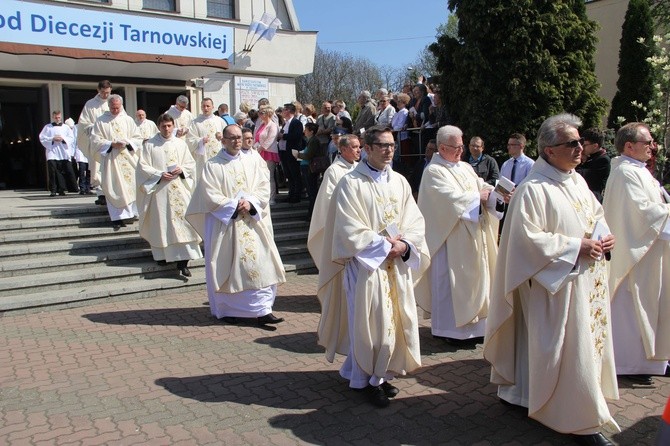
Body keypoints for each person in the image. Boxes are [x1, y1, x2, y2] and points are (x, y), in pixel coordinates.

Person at [484, 113, 618, 446]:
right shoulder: (533, 189)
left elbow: (595, 216)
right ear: (548, 149)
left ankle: (524, 396)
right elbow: (526, 241)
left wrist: (605, 237)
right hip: (553, 286)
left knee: (572, 348)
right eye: (571, 143)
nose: (579, 148)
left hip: (583, 281)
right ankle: (578, 421)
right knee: (565, 351)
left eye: (579, 142)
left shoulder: (576, 180)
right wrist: (577, 246)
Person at [317, 125, 430, 408]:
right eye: (382, 145)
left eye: (391, 145)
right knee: (371, 324)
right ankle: (366, 379)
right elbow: (348, 228)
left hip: (395, 266)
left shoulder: (400, 182)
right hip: (367, 268)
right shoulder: (350, 183)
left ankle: (382, 374)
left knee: (395, 321)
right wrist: (383, 247)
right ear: (367, 149)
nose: (389, 150)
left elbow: (414, 221)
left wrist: (405, 246)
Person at [186, 124, 286, 326]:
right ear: (222, 141)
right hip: (227, 226)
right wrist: (233, 205)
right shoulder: (213, 165)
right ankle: (230, 310)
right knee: (229, 266)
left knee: (261, 264)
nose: (237, 141)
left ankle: (263, 309)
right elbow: (209, 194)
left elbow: (263, 186)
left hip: (252, 223)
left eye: (239, 137)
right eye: (231, 138)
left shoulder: (253, 162)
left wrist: (251, 203)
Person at [416, 126, 500, 346]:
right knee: (451, 283)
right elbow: (447, 199)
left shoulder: (463, 167)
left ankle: (478, 327)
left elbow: (479, 186)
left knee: (477, 280)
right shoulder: (434, 171)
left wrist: (494, 193)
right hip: (450, 239)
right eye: (457, 147)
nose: (462, 151)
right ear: (443, 147)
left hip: (474, 235)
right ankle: (449, 330)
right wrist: (477, 196)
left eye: (462, 146)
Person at [603, 122, 670, 386]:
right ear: (629, 146)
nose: (652, 147)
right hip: (635, 254)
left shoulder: (638, 171)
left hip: (650, 250)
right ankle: (628, 363)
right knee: (633, 307)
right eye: (648, 142)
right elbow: (641, 213)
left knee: (652, 303)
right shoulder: (624, 173)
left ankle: (653, 360)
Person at [136, 113, 203, 277]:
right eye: (163, 126)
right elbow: (142, 167)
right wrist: (159, 175)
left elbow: (190, 164)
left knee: (185, 225)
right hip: (160, 192)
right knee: (162, 225)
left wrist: (182, 170)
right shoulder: (150, 145)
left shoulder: (181, 144)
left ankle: (183, 263)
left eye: (169, 126)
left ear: (173, 126)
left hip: (179, 189)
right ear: (158, 127)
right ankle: (163, 257)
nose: (166, 129)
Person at [307, 134, 361, 268]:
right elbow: (328, 199)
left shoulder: (360, 168)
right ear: (343, 149)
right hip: (343, 225)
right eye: (354, 147)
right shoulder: (333, 171)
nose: (359, 150)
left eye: (359, 146)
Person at [90, 95, 143, 229]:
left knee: (131, 185)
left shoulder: (128, 120)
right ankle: (118, 217)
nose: (115, 110)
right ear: (108, 106)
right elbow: (95, 141)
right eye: (112, 108)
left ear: (121, 106)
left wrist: (128, 142)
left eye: (117, 108)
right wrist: (111, 144)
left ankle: (130, 214)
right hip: (111, 160)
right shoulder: (101, 121)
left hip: (128, 158)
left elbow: (137, 138)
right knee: (114, 187)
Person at [77, 79, 112, 205]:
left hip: (111, 142)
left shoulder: (114, 102)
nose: (105, 95)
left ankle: (112, 195)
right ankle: (101, 194)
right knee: (98, 168)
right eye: (103, 92)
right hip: (97, 142)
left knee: (112, 169)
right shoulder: (90, 104)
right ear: (98, 90)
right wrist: (94, 127)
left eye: (107, 92)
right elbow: (83, 123)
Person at [39, 110, 77, 196]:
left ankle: (61, 189)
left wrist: (63, 139)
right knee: (52, 171)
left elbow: (71, 138)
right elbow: (42, 138)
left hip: (63, 152)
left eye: (59, 117)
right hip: (52, 152)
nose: (57, 119)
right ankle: (53, 189)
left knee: (61, 171)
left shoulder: (66, 127)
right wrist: (52, 139)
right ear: (53, 117)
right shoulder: (47, 127)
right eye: (55, 117)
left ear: (61, 117)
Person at [186, 98, 224, 181]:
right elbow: (189, 140)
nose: (206, 108)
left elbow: (228, 136)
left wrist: (222, 136)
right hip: (203, 158)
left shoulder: (219, 121)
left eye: (208, 106)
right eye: (203, 106)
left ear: (213, 107)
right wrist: (200, 141)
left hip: (218, 155)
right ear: (201, 107)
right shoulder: (195, 122)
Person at [296, 122, 325, 219]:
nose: (304, 131)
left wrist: (297, 155)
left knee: (312, 192)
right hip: (307, 167)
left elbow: (309, 155)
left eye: (306, 129)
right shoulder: (310, 140)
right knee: (311, 191)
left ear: (311, 131)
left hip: (310, 168)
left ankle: (312, 215)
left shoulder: (314, 140)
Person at [277, 103, 304, 203]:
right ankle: (291, 194)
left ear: (288, 111)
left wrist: (283, 136)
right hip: (284, 152)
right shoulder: (285, 123)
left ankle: (297, 196)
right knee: (288, 174)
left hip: (293, 152)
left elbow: (297, 136)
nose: (282, 112)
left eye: (284, 110)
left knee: (295, 174)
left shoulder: (296, 123)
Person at [576, 127, 610, 203]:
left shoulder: (603, 160)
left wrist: (580, 161)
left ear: (595, 146)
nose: (581, 148)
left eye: (584, 145)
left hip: (593, 199)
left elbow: (582, 175)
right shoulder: (589, 156)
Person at [254, 105, 280, 205]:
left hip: (268, 152)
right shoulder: (261, 125)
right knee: (260, 176)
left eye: (262, 113)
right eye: (259, 113)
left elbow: (270, 139)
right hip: (259, 152)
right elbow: (255, 137)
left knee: (269, 176)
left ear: (268, 114)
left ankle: (272, 197)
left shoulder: (272, 125)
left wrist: (260, 149)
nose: (259, 114)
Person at [65, 117, 91, 195]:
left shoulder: (91, 126)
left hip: (89, 151)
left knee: (89, 171)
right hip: (80, 151)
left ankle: (88, 188)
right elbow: (73, 141)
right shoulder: (76, 128)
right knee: (82, 171)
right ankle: (82, 188)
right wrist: (72, 154)